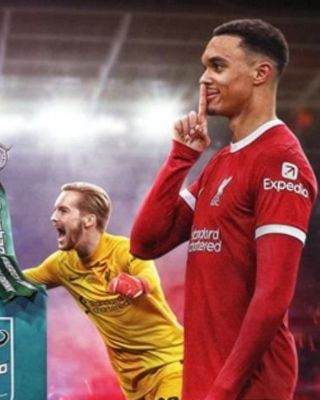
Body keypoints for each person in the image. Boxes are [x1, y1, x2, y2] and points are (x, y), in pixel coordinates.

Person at [130, 19, 317, 399]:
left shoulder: (281, 160)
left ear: (260, 73)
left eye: (217, 66)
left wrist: (223, 390)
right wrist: (181, 158)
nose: (204, 79)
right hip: (206, 378)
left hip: (248, 386)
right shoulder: (222, 162)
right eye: (205, 67)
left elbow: (272, 297)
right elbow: (145, 243)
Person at [0, 182, 183, 400]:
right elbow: (16, 280)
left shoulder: (124, 250)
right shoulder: (62, 264)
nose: (53, 217)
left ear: (89, 220)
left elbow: (147, 276)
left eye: (63, 210)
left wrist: (137, 284)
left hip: (171, 365)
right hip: (133, 383)